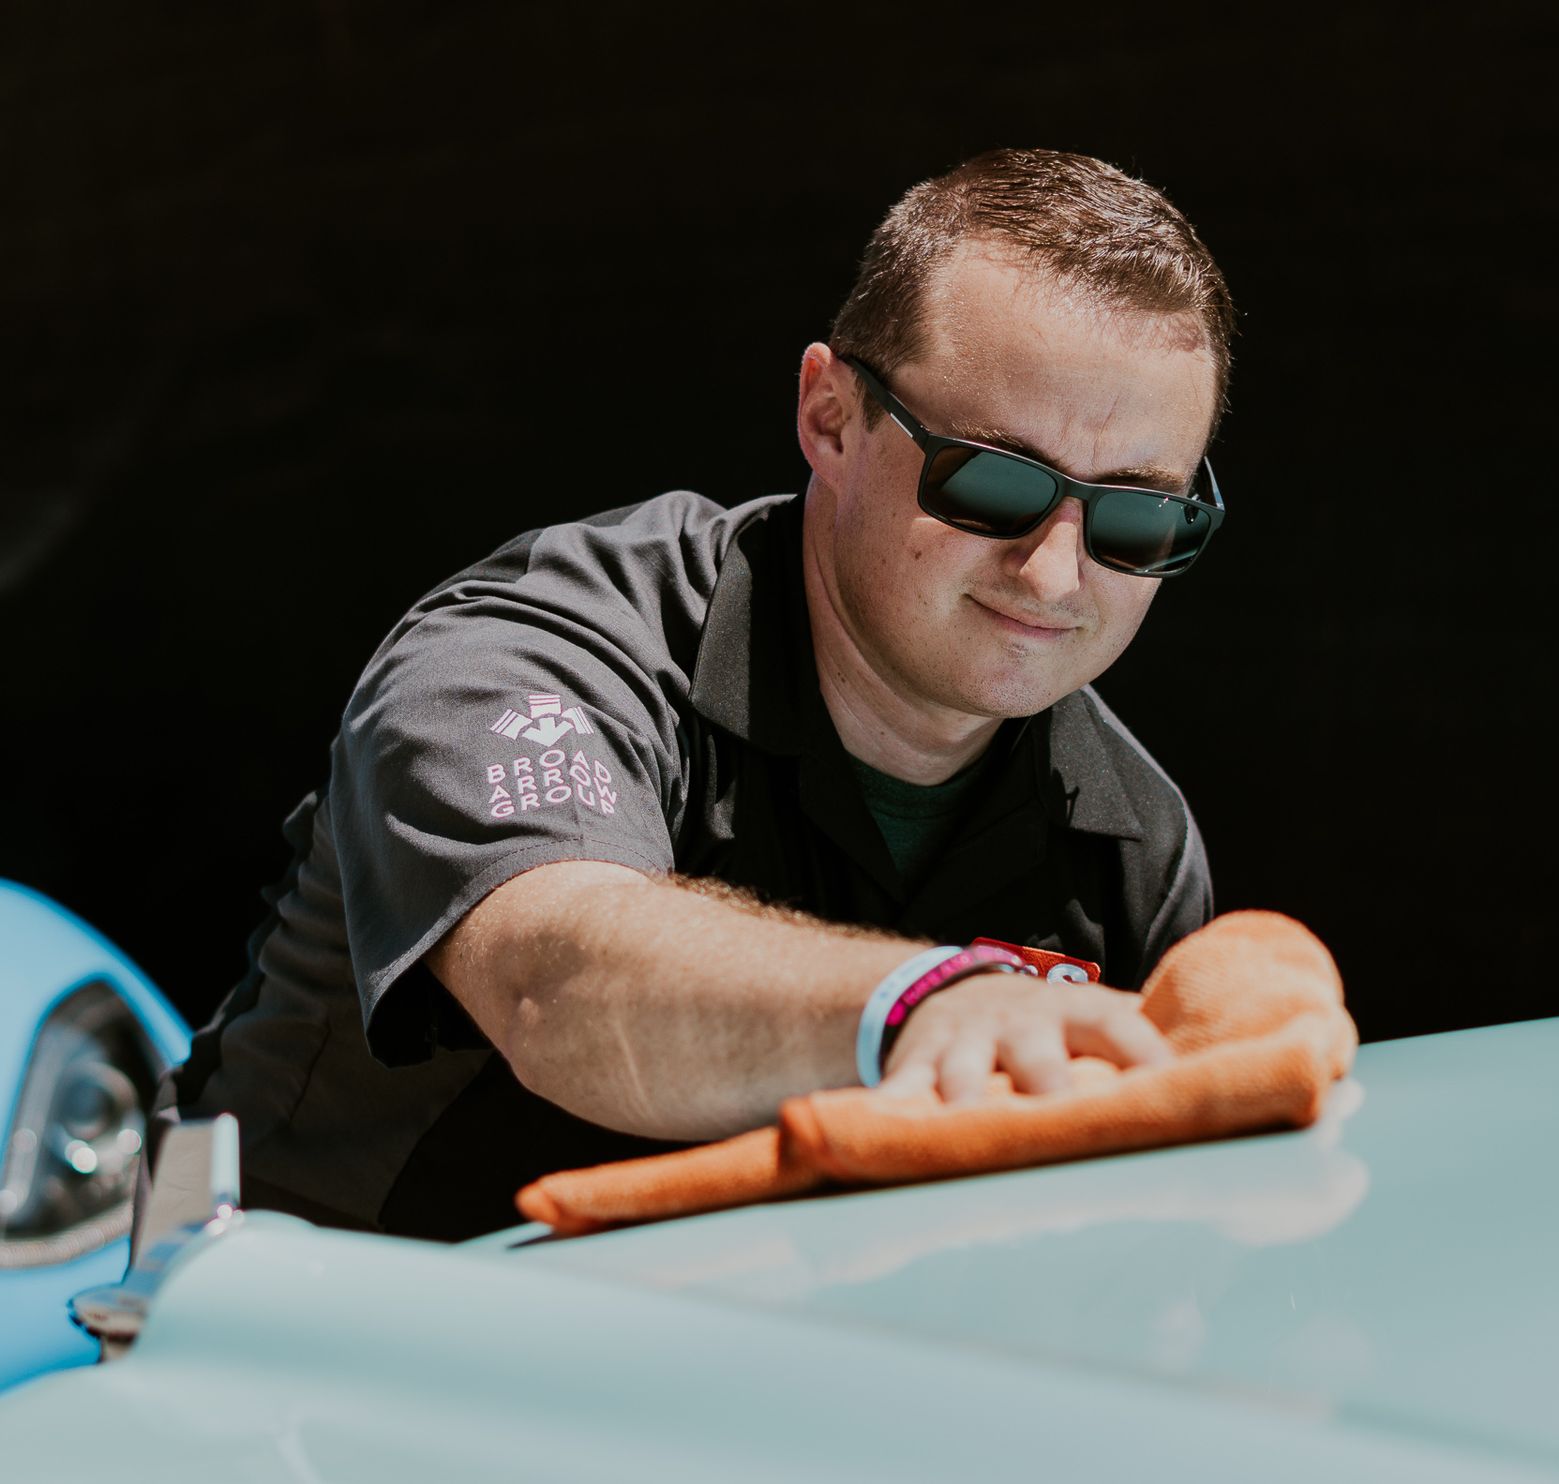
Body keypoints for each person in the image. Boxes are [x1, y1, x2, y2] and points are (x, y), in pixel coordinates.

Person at [152, 147, 1237, 1241]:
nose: (1055, 574)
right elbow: (556, 981)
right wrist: (924, 1003)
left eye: (1136, 521)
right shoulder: (528, 653)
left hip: (749, 1375)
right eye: (995, 482)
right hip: (285, 1348)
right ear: (831, 419)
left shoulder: (1133, 838)